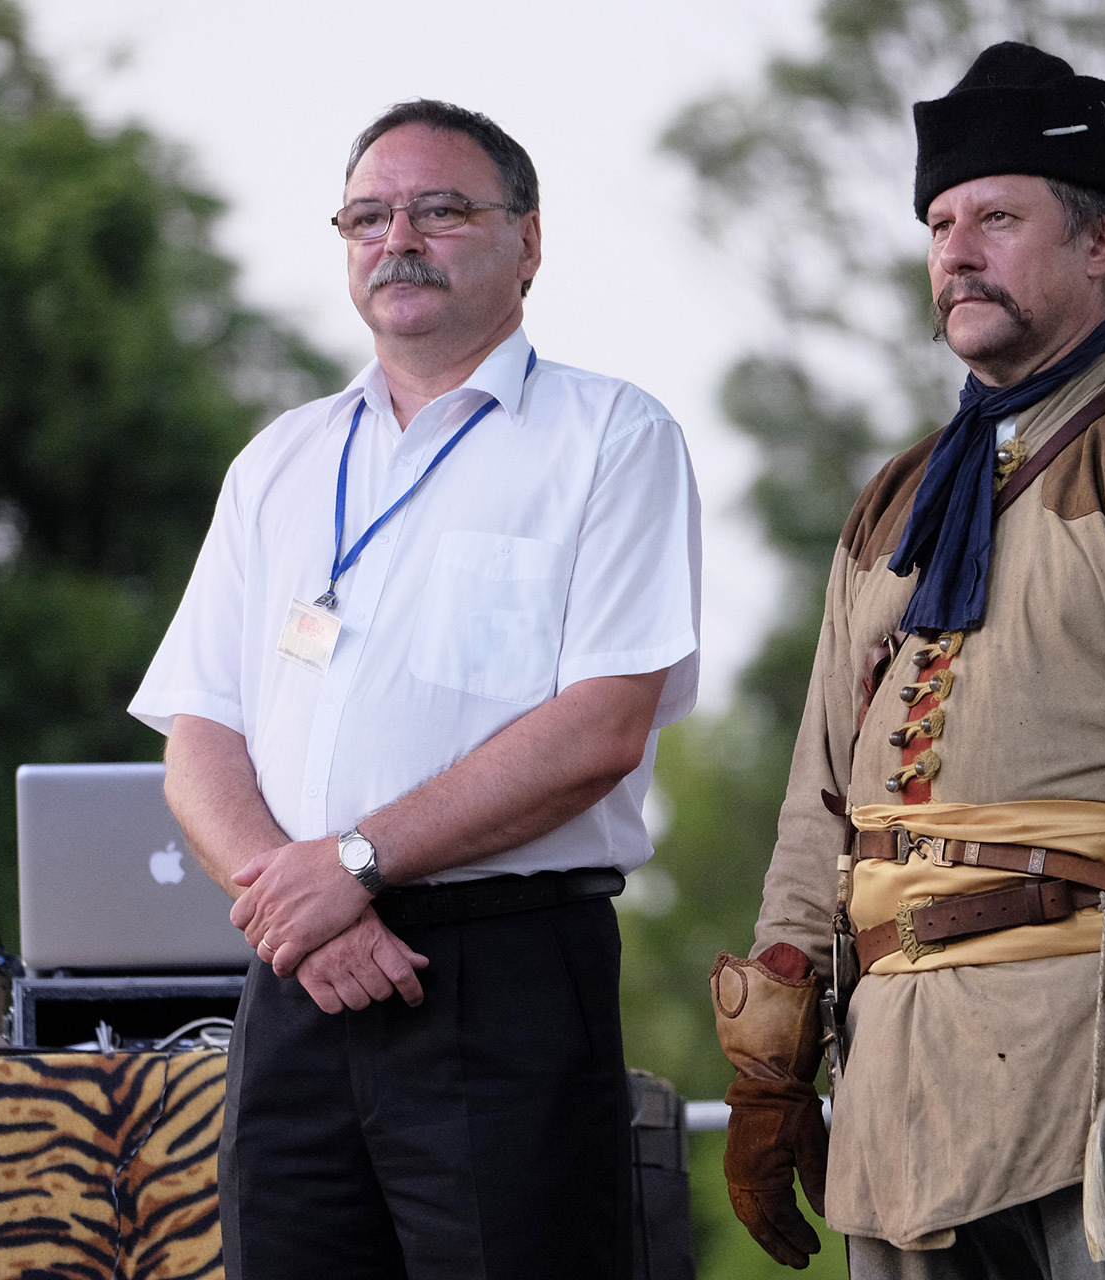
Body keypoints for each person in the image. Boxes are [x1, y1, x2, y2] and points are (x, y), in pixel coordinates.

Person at [711, 42, 1105, 1279]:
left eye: (997, 217)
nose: (956, 251)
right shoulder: (890, 503)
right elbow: (817, 806)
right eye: (941, 224)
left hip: (1095, 1074)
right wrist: (772, 1067)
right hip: (895, 1098)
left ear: (1102, 240)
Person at [130, 99, 701, 1280]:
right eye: (368, 216)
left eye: (441, 211)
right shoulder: (279, 460)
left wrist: (353, 862)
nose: (399, 239)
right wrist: (301, 900)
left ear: (528, 239)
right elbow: (199, 734)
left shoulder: (611, 436)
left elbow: (602, 726)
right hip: (298, 977)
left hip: (500, 977)